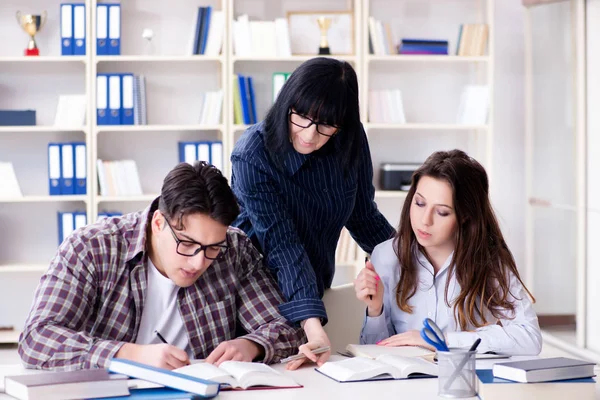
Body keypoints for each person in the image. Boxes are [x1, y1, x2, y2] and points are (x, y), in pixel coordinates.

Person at [18, 162, 305, 371]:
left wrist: (252, 345)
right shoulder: (92, 248)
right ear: (158, 223)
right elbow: (37, 339)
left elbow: (285, 327)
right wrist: (128, 354)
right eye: (187, 244)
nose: (198, 262)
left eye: (212, 248)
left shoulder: (235, 249)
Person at [230, 57, 395, 369]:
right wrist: (312, 324)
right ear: (287, 103)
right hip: (253, 298)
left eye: (326, 125)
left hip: (312, 292)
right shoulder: (252, 153)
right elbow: (283, 246)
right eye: (301, 117)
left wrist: (418, 262)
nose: (309, 134)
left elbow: (363, 217)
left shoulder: (351, 138)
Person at [354, 150, 542, 355]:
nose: (425, 220)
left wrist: (442, 341)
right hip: (404, 382)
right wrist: (375, 311)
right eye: (419, 203)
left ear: (465, 216)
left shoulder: (487, 260)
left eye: (442, 212)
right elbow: (375, 352)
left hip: (463, 379)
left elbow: (530, 338)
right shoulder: (387, 255)